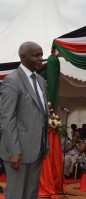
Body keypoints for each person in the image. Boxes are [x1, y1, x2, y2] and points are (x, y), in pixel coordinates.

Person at [0, 41, 49, 199]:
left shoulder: (40, 81)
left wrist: (45, 144)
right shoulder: (12, 81)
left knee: (31, 194)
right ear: (23, 57)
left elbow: (42, 115)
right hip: (18, 151)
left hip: (37, 150)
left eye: (41, 55)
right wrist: (14, 152)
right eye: (36, 55)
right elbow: (7, 119)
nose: (41, 59)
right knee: (16, 194)